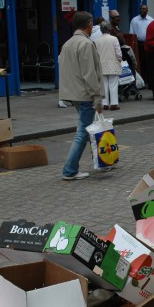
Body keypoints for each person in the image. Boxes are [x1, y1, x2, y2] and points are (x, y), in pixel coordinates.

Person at [58, 10, 105, 180]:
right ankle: (69, 170)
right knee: (83, 132)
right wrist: (97, 98)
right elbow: (90, 74)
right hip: (85, 94)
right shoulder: (86, 44)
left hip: (73, 93)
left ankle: (101, 161)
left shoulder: (68, 43)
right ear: (89, 25)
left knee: (87, 129)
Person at [94, 21, 122, 111]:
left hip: (101, 65)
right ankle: (114, 103)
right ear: (109, 28)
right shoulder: (114, 39)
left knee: (104, 85)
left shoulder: (97, 41)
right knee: (113, 85)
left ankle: (104, 103)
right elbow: (118, 54)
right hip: (113, 64)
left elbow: (96, 54)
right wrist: (119, 60)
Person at [129, 5, 153, 82]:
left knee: (148, 62)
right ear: (139, 10)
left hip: (148, 44)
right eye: (142, 9)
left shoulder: (151, 20)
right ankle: (141, 80)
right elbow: (131, 33)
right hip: (138, 44)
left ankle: (148, 80)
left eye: (145, 9)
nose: (144, 10)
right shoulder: (134, 20)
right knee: (140, 62)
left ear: (147, 10)